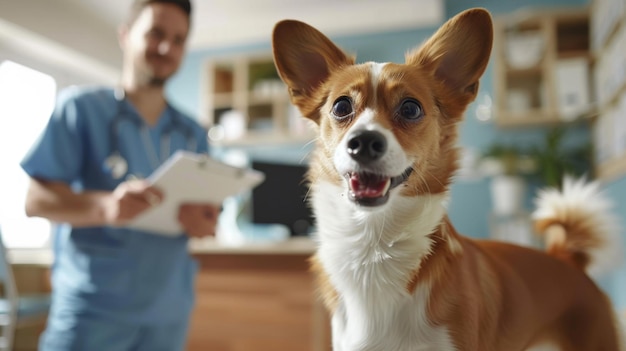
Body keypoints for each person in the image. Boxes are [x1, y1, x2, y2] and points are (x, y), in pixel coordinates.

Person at [20, 1, 220, 350]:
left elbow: (208, 221)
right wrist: (106, 207)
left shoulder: (193, 134)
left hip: (168, 311)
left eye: (178, 39)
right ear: (126, 36)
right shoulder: (79, 109)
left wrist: (204, 222)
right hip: (93, 310)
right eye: (156, 33)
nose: (166, 48)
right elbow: (35, 201)